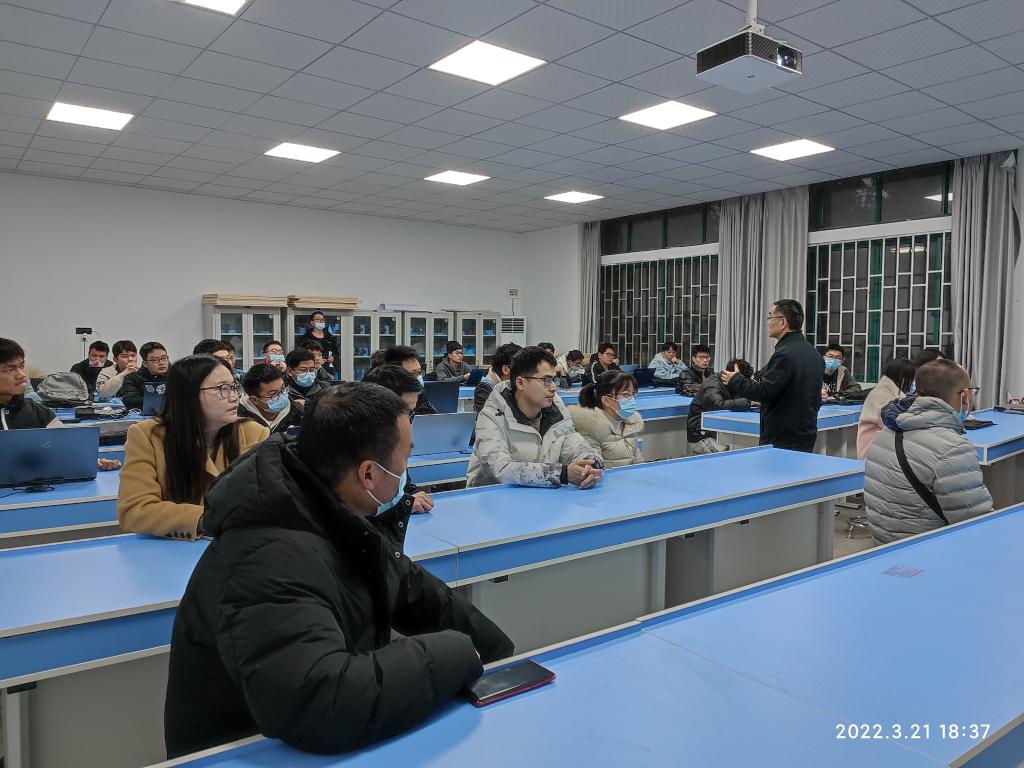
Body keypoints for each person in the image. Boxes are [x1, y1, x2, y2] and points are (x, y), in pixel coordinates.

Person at [163, 383, 513, 758]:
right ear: (368, 474)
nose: (405, 473)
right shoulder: (268, 558)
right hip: (242, 752)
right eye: (404, 459)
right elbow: (320, 703)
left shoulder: (331, 508)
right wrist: (459, 652)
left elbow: (413, 591)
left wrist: (500, 655)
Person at [117, 355, 269, 540]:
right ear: (188, 395)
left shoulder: (253, 432)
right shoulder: (148, 435)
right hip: (174, 548)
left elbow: (267, 501)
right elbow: (134, 510)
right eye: (222, 388)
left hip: (239, 545)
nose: (234, 397)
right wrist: (207, 520)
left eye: (234, 387)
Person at [864, 359, 992, 543]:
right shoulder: (952, 448)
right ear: (964, 395)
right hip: (930, 548)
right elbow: (974, 521)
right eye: (972, 391)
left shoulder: (888, 430)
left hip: (884, 543)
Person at [469, 346, 604, 488]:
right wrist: (560, 474)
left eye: (554, 379)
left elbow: (579, 447)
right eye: (546, 380)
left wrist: (590, 466)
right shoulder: (491, 416)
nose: (553, 387)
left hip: (542, 496)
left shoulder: (557, 413)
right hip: (492, 495)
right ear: (521, 383)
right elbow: (498, 468)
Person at [0, 338, 122, 470]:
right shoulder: (78, 367)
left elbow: (67, 445)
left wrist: (92, 460)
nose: (21, 375)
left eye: (22, 366)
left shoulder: (38, 412)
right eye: (9, 370)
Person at [720, 299, 823, 453]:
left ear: (782, 322)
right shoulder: (814, 353)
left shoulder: (784, 354)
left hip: (783, 435)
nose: (767, 322)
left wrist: (735, 379)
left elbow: (764, 392)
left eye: (770, 317)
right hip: (806, 431)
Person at [361, 364, 438, 514]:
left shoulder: (392, 442)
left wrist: (413, 496)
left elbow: (404, 486)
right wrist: (402, 506)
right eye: (405, 412)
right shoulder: (354, 449)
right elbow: (352, 509)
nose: (408, 421)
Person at [569, 370, 644, 467]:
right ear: (606, 400)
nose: (632, 399)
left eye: (633, 394)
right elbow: (593, 469)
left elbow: (637, 460)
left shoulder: (629, 423)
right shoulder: (590, 430)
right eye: (626, 394)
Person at [686, 358, 754, 454]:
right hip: (701, 436)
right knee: (729, 455)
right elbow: (719, 404)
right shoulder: (711, 385)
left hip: (720, 431)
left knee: (746, 447)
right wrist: (750, 402)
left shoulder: (730, 383)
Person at [856, 357, 916, 460]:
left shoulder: (890, 391)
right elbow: (893, 422)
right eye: (912, 378)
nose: (913, 382)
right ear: (903, 377)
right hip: (874, 450)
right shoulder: (881, 395)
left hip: (884, 447)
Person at [239, 363, 303, 436]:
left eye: (283, 388)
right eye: (273, 394)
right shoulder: (239, 419)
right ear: (254, 400)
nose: (281, 396)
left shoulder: (296, 411)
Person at [383, 345, 436, 416]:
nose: (417, 378)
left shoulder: (418, 390)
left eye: (419, 372)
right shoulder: (381, 396)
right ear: (394, 373)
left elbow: (429, 415)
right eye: (412, 373)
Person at [121, 341, 171, 411]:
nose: (161, 363)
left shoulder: (174, 375)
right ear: (145, 363)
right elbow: (130, 402)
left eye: (164, 358)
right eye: (155, 360)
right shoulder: (132, 378)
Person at [474, 342, 521, 413]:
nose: (523, 374)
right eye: (520, 369)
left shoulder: (509, 385)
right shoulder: (484, 389)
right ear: (506, 369)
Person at [304, 310, 338, 378]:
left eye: (322, 320)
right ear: (312, 323)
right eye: (317, 319)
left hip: (328, 370)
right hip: (311, 370)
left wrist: (333, 357)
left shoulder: (330, 337)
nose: (321, 321)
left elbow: (336, 352)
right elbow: (302, 355)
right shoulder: (306, 338)